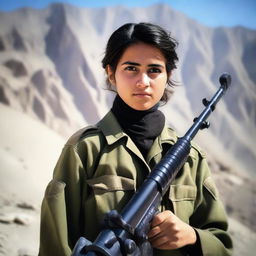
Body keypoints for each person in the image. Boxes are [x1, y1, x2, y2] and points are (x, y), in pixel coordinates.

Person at [39, 22, 233, 256]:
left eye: (154, 70)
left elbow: (223, 245)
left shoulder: (191, 159)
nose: (143, 81)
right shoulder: (84, 150)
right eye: (131, 68)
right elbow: (55, 244)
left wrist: (192, 237)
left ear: (168, 75)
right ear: (111, 73)